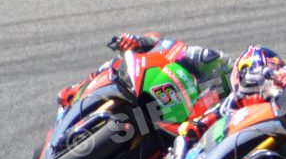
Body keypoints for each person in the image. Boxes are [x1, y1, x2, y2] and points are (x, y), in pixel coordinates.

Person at [57, 32, 231, 107]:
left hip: (171, 127)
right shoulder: (196, 57)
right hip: (153, 93)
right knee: (118, 63)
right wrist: (137, 42)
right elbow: (159, 41)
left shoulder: (228, 106)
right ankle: (81, 87)